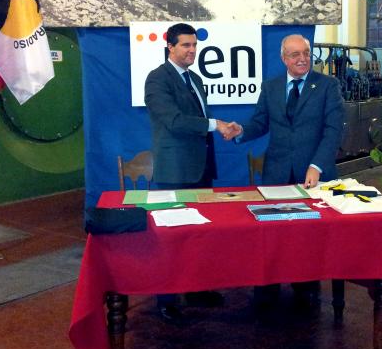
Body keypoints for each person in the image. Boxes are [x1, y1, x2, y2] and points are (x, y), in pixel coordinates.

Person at [227, 34, 344, 313]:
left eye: (306, 53)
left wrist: (317, 165)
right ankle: (268, 286)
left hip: (313, 175)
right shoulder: (271, 87)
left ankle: (306, 287)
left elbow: (333, 130)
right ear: (283, 59)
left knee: (308, 235)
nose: (302, 59)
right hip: (276, 172)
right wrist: (241, 131)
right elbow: (260, 123)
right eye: (295, 54)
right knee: (272, 233)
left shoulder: (328, 85)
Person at [144, 22, 237, 323]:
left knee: (200, 234)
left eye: (195, 45)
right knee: (171, 237)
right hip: (175, 171)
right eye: (185, 45)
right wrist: (215, 125)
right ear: (170, 47)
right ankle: (166, 300)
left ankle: (197, 289)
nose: (192, 51)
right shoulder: (157, 79)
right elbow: (173, 120)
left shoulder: (195, 79)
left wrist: (222, 127)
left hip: (201, 168)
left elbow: (200, 120)